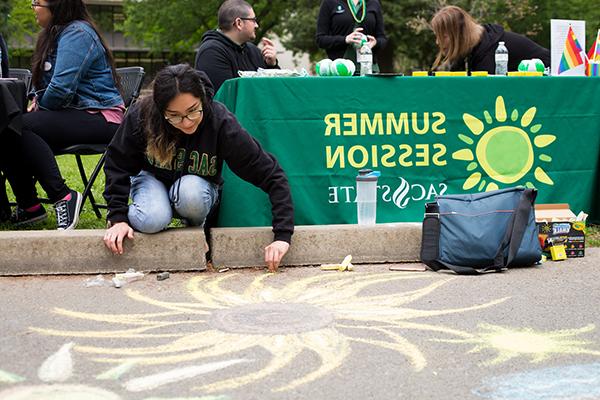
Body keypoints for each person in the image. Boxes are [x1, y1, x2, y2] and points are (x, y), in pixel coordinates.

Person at [103, 64, 294, 272]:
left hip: (194, 189)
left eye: (193, 111)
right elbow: (117, 161)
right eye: (174, 115)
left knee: (192, 194)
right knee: (152, 219)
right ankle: (156, 209)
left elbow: (272, 174)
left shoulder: (220, 122)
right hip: (152, 179)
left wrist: (282, 236)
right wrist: (118, 218)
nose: (186, 123)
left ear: (202, 99)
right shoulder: (143, 114)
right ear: (161, 110)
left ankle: (195, 227)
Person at [0, 0, 123, 230]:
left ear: (57, 5)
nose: (33, 7)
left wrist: (38, 106)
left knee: (18, 125)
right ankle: (30, 207)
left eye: (37, 3)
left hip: (101, 117)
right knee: (9, 125)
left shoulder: (77, 33)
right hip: (74, 114)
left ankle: (63, 196)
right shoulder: (55, 34)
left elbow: (60, 89)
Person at [431, 5, 550, 74]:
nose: (438, 42)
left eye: (444, 36)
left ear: (460, 34)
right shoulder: (474, 49)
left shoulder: (490, 54)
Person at [194, 0, 279, 92]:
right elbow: (223, 99)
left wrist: (272, 65)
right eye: (253, 20)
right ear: (239, 23)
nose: (256, 25)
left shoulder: (253, 50)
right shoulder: (211, 53)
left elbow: (275, 91)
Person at [316, 0, 387, 72]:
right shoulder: (329, 2)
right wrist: (345, 39)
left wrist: (375, 43)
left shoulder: (373, 3)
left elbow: (382, 39)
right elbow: (320, 39)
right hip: (340, 70)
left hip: (368, 68)